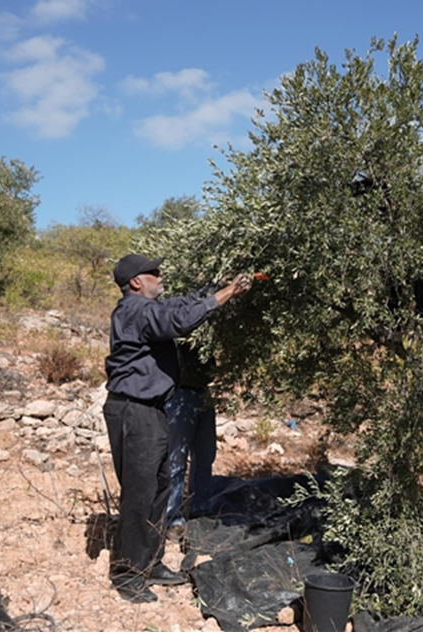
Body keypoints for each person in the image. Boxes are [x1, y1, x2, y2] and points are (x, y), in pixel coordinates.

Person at [102, 253, 252, 603]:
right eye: (153, 272)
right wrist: (226, 293)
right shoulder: (135, 311)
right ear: (136, 282)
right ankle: (127, 574)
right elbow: (179, 321)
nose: (160, 274)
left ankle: (150, 563)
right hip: (132, 411)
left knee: (159, 485)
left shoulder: (146, 308)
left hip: (151, 410)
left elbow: (180, 305)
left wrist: (214, 285)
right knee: (139, 493)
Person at [164, 334, 219, 540]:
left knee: (206, 455)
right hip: (180, 394)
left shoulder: (205, 328)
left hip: (203, 392)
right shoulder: (178, 322)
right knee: (177, 458)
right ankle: (173, 518)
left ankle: (200, 509)